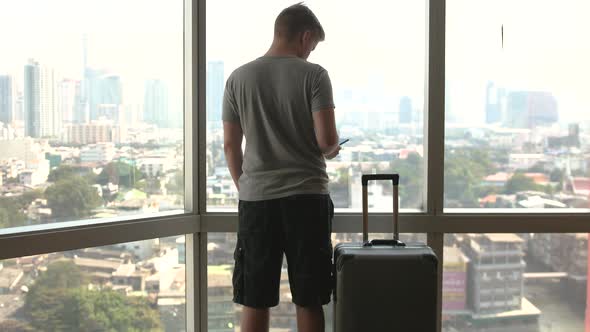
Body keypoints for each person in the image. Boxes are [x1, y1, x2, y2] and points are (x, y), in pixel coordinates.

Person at [222, 3, 340, 332]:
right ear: (304, 37)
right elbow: (327, 140)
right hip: (306, 199)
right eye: (312, 46)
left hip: (257, 201)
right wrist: (332, 150)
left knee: (255, 299)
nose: (310, 53)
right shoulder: (315, 75)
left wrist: (247, 186)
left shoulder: (238, 78)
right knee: (309, 297)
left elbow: (231, 145)